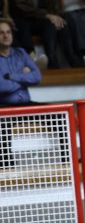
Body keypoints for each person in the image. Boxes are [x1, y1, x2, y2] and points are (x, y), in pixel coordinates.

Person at [0, 20, 42, 168]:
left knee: (60, 114)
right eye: (1, 33)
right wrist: (24, 78)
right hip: (4, 105)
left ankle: (66, 158)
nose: (6, 35)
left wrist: (13, 76)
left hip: (25, 104)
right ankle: (8, 167)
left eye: (8, 32)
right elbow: (2, 86)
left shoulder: (21, 53)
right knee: (2, 123)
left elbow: (37, 77)